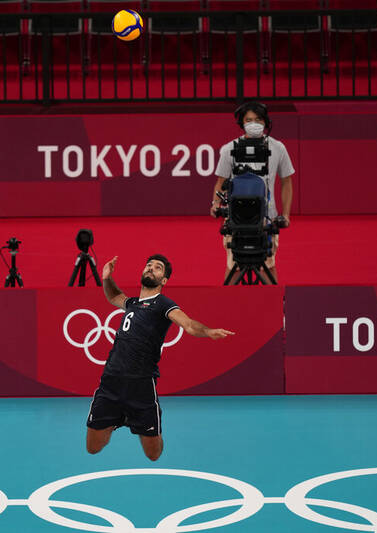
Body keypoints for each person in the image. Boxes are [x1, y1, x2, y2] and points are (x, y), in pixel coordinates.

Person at [86, 254, 235, 461]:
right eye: (148, 265)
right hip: (111, 382)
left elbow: (189, 324)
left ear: (163, 280)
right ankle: (118, 420)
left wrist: (208, 331)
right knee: (92, 447)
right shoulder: (132, 303)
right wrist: (107, 277)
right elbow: (114, 296)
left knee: (153, 454)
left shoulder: (163, 304)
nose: (151, 268)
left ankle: (136, 421)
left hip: (141, 386)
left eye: (157, 267)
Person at [210, 102, 295, 284]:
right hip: (236, 219)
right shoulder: (229, 149)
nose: (253, 123)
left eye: (258, 119)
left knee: (268, 267)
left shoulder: (278, 148)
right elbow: (220, 183)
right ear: (242, 123)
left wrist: (286, 214)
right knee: (234, 268)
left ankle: (273, 304)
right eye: (248, 120)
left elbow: (287, 181)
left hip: (267, 219)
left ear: (266, 122)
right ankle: (228, 303)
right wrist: (215, 204)